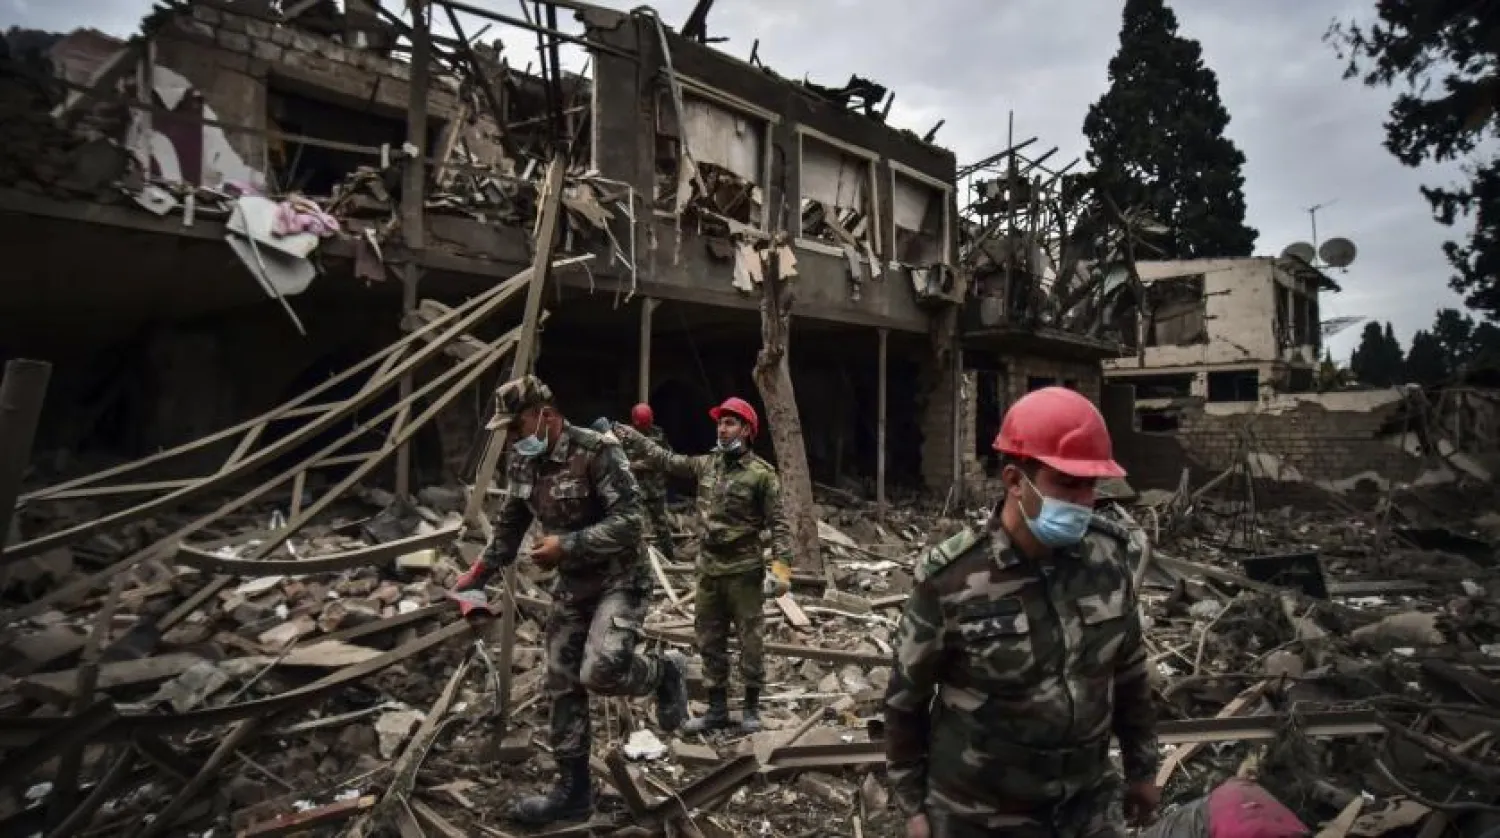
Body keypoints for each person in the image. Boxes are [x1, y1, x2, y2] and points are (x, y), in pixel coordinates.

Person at [883, 386, 1160, 838]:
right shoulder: (952, 578)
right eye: (1066, 484)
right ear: (1015, 480)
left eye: (1091, 485)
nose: (1083, 501)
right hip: (980, 814)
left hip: (1085, 807)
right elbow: (904, 700)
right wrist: (913, 807)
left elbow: (1129, 673)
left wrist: (1142, 771)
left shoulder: (1109, 560)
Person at [451, 375, 689, 827]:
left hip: (621, 579)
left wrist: (568, 545)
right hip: (575, 585)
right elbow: (512, 522)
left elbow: (631, 522)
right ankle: (573, 791)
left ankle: (664, 671)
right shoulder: (524, 462)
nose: (513, 438)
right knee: (562, 681)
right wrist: (478, 573)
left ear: (545, 415)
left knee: (600, 671)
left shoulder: (598, 450)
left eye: (516, 427)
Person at [612, 396, 793, 734]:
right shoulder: (707, 465)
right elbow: (665, 459)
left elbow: (780, 523)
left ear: (747, 430)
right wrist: (635, 439)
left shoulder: (762, 475)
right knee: (709, 641)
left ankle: (751, 708)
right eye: (720, 423)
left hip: (743, 572)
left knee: (751, 641)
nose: (722, 430)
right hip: (709, 570)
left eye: (730, 423)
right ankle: (716, 710)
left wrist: (781, 570)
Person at [629, 402, 677, 561]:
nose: (644, 428)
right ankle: (637, 562)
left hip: (656, 489)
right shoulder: (626, 435)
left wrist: (637, 465)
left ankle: (670, 560)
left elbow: (666, 457)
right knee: (635, 527)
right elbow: (619, 459)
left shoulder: (658, 434)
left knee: (662, 527)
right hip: (636, 490)